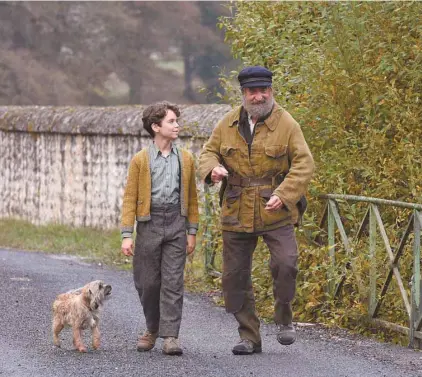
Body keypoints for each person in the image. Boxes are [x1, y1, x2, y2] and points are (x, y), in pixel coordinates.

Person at [198, 66, 314, 355]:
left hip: (275, 209)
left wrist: (284, 195)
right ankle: (249, 336)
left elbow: (304, 163)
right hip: (236, 207)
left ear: (271, 91)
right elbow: (208, 152)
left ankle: (284, 317)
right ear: (244, 94)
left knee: (286, 264)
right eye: (253, 91)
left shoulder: (287, 123)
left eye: (264, 90)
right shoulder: (227, 123)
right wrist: (212, 168)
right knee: (234, 275)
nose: (259, 96)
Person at [120, 101, 199, 356]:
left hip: (176, 223)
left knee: (173, 282)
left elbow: (193, 198)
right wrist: (126, 235)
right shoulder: (140, 160)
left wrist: (192, 231)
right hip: (148, 225)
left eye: (177, 121)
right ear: (156, 126)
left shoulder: (186, 159)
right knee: (148, 283)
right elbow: (130, 198)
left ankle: (170, 336)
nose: (177, 125)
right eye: (171, 121)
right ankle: (152, 328)